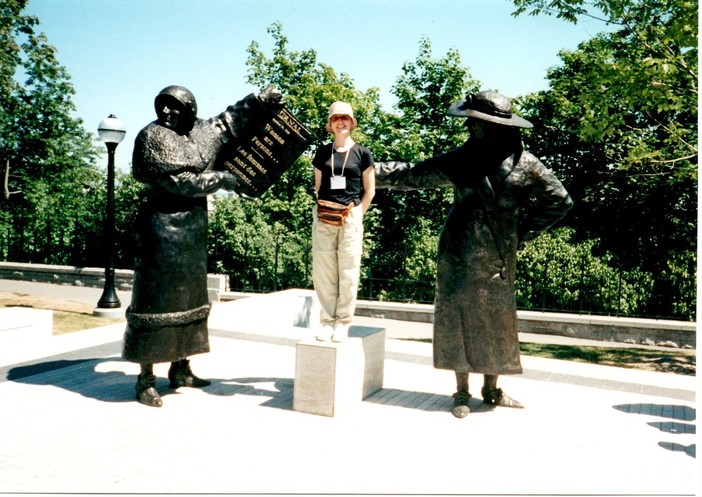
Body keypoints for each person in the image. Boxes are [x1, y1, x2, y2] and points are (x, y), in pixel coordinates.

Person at [375, 90, 573, 418]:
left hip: (498, 252)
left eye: (476, 123)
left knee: (496, 318)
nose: (471, 128)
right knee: (459, 315)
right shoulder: (462, 159)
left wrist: (523, 233)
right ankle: (461, 392)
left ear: (494, 126)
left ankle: (492, 388)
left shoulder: (527, 163)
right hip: (459, 249)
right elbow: (411, 174)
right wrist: (360, 168)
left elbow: (560, 200)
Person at [124, 85, 282, 407]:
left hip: (192, 232)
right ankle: (146, 379)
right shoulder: (152, 137)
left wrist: (260, 101)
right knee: (156, 303)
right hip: (161, 232)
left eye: (174, 107)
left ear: (189, 111)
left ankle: (181, 368)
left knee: (189, 298)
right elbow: (179, 183)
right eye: (163, 106)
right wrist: (221, 180)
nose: (166, 113)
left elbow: (229, 121)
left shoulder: (200, 132)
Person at [311, 101, 376, 342]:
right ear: (330, 123)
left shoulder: (362, 153)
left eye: (345, 118)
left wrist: (357, 214)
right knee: (324, 272)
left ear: (352, 123)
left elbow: (370, 191)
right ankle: (327, 321)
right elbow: (318, 187)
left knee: (348, 272)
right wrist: (324, 208)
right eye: (336, 118)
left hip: (350, 217)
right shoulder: (322, 152)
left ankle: (343, 323)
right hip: (324, 217)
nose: (341, 122)